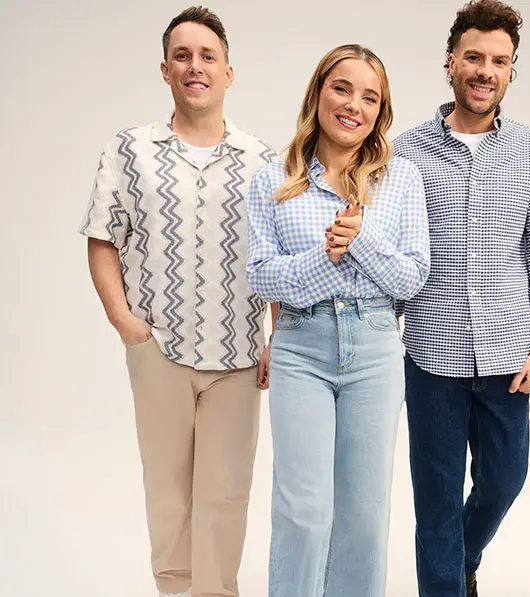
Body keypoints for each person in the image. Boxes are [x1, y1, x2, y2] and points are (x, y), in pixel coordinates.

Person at [78, 7, 278, 597]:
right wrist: (125, 323)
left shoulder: (262, 160)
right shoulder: (130, 150)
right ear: (165, 70)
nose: (195, 66)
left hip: (238, 358)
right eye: (182, 56)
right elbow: (102, 239)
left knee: (225, 493)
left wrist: (277, 336)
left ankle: (216, 591)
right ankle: (174, 589)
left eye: (207, 56)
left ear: (228, 72)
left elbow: (277, 255)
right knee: (167, 491)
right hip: (158, 350)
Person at [393, 1, 530, 595]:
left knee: (505, 480)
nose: (484, 70)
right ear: (451, 62)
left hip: (508, 358)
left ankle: (460, 556)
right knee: (435, 499)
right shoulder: (405, 151)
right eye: (473, 57)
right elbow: (394, 248)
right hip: (430, 355)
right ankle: (446, 582)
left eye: (498, 60)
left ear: (511, 70)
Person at [246, 44, 430, 597]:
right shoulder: (272, 178)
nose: (354, 105)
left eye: (369, 97)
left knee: (364, 516)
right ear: (319, 93)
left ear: (381, 111)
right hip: (300, 346)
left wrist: (361, 241)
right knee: (303, 511)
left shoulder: (401, 179)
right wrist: (324, 257)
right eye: (342, 89)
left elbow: (411, 278)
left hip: (375, 349)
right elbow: (261, 277)